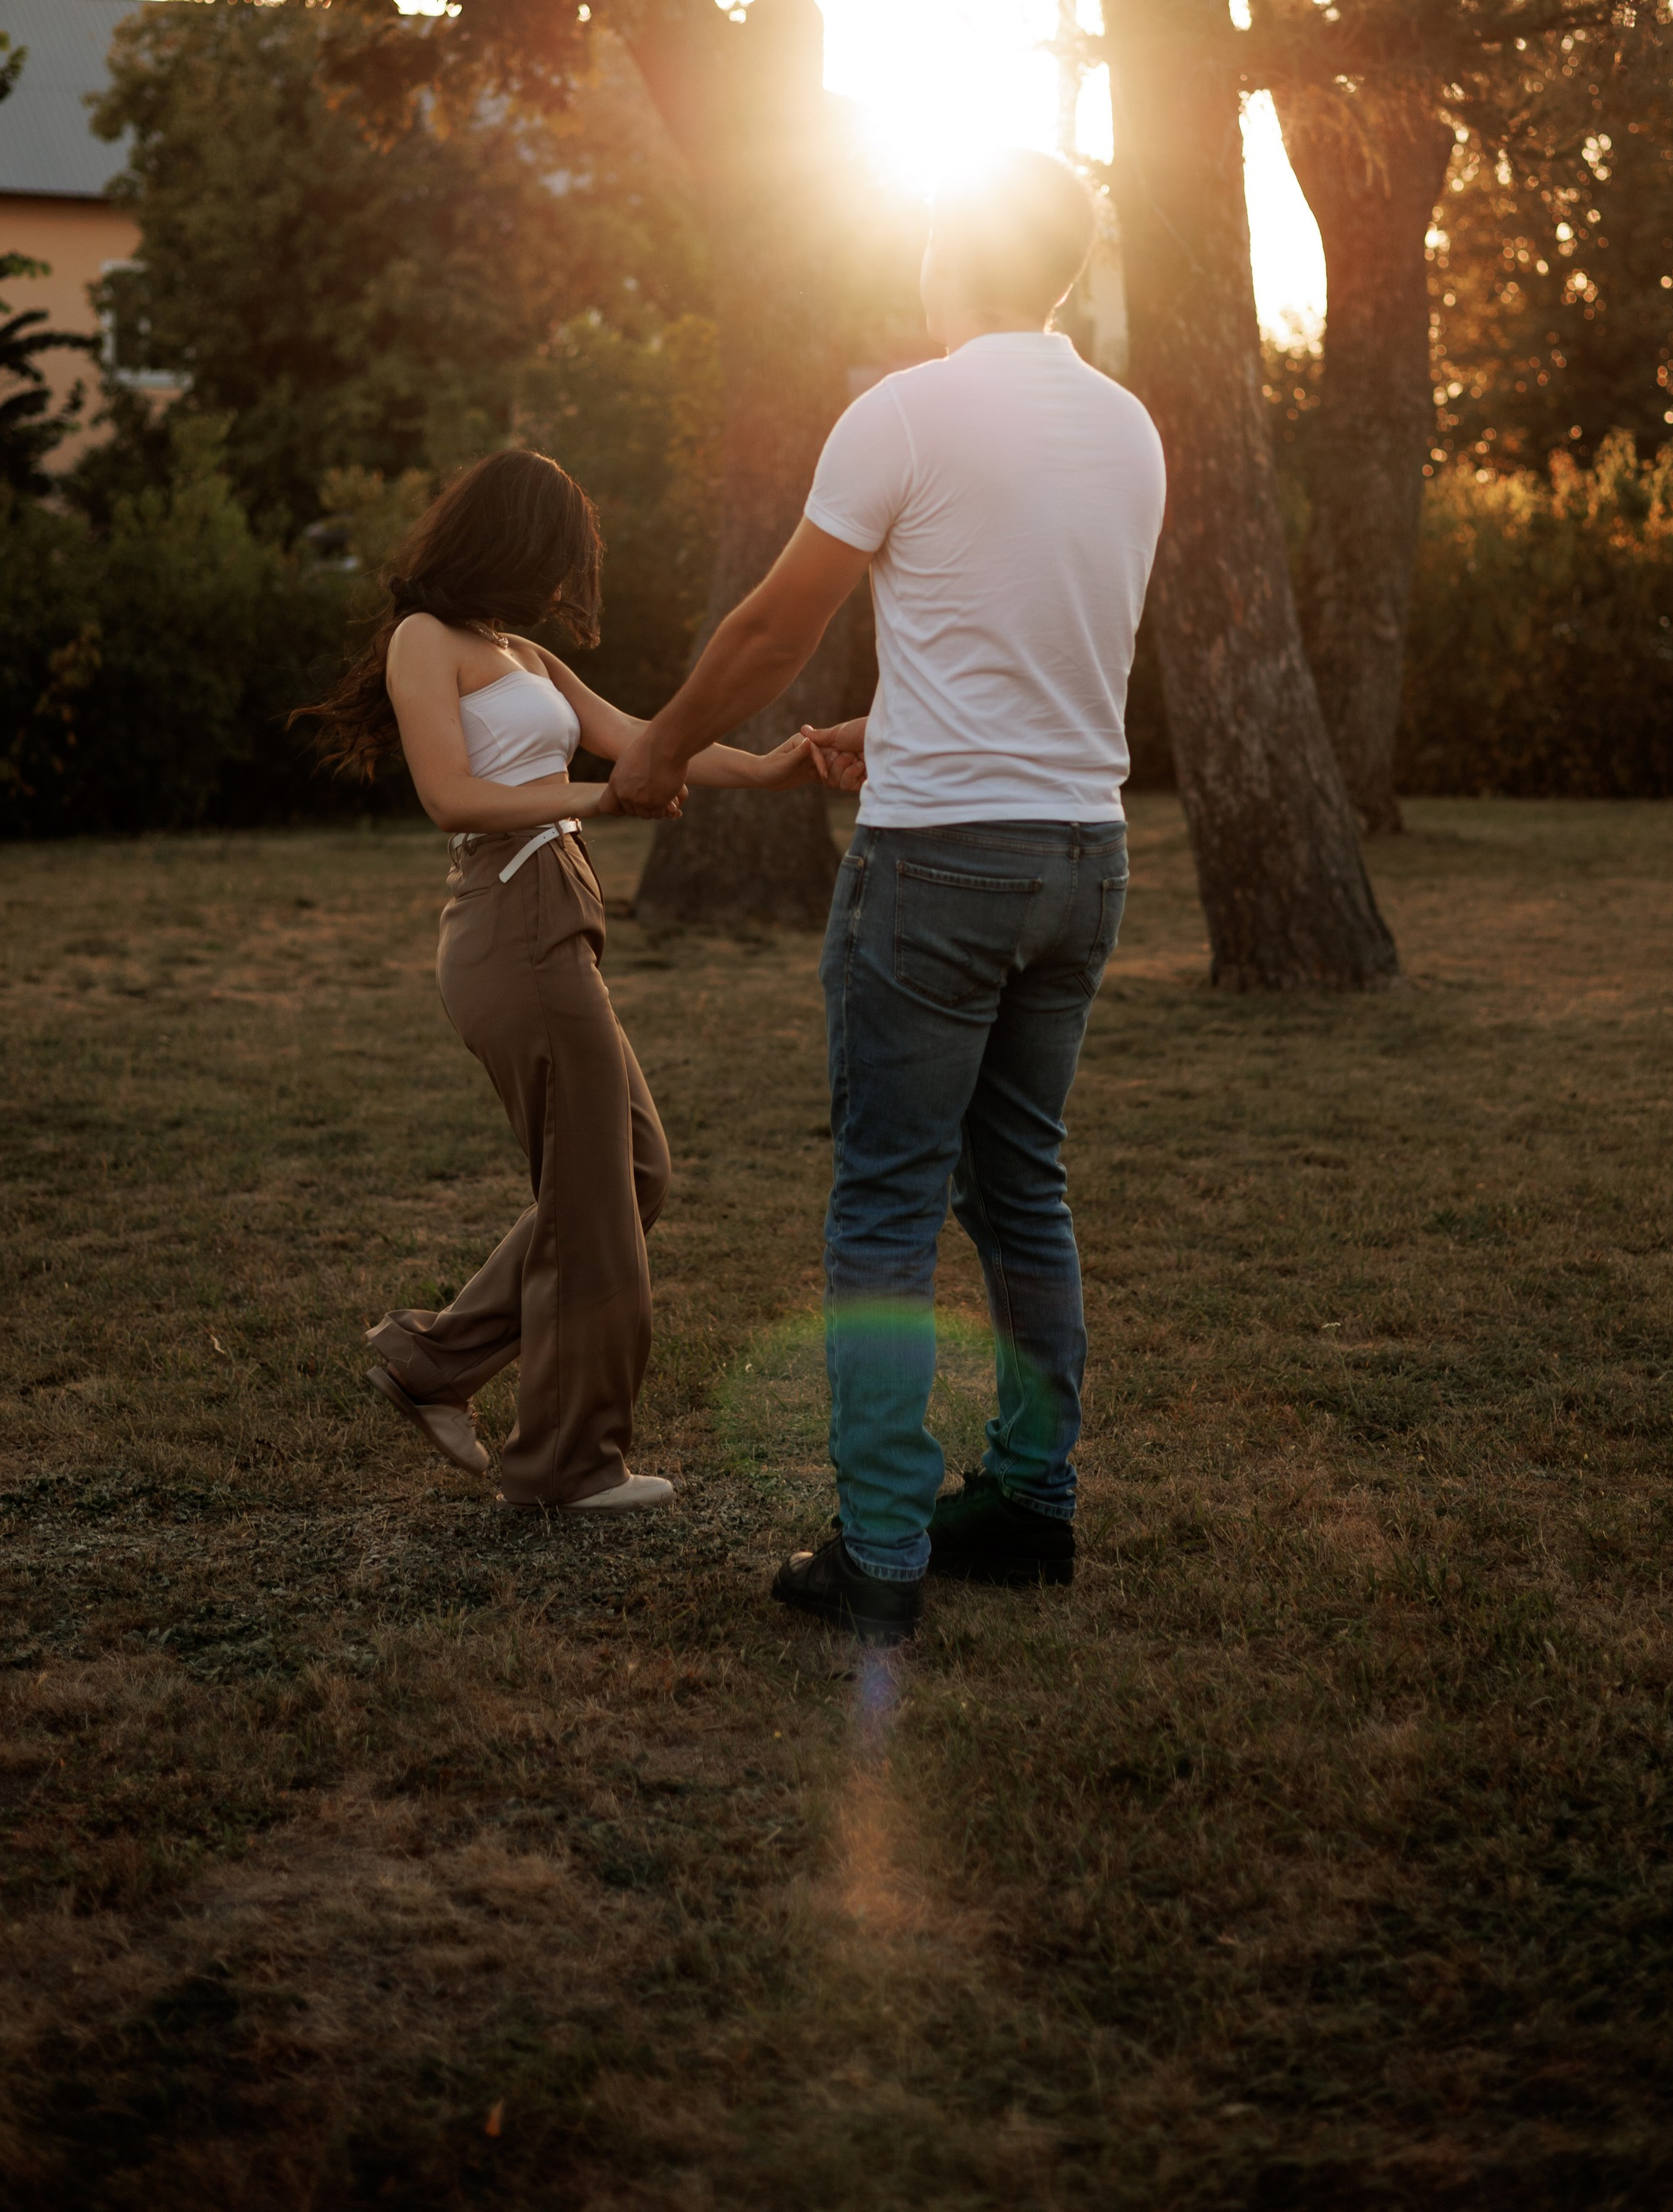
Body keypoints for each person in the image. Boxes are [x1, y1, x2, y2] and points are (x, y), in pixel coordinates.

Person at [611, 151, 1166, 1640]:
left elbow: (773, 621)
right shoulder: (1123, 427)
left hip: (935, 867)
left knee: (886, 1205)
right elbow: (1033, 631)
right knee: (1021, 1188)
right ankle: (1032, 1507)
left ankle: (880, 1553)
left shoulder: (906, 411)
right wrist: (908, 725)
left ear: (944, 249)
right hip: (1079, 855)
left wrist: (662, 750)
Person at [297, 447, 826, 1512]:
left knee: (630, 1174)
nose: (564, 582)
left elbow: (643, 742)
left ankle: (432, 1361)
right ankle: (567, 1467)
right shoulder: (424, 642)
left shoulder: (522, 654)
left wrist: (772, 768)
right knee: (594, 1198)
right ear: (510, 543)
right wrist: (598, 801)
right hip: (509, 924)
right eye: (556, 557)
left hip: (557, 918)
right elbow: (449, 796)